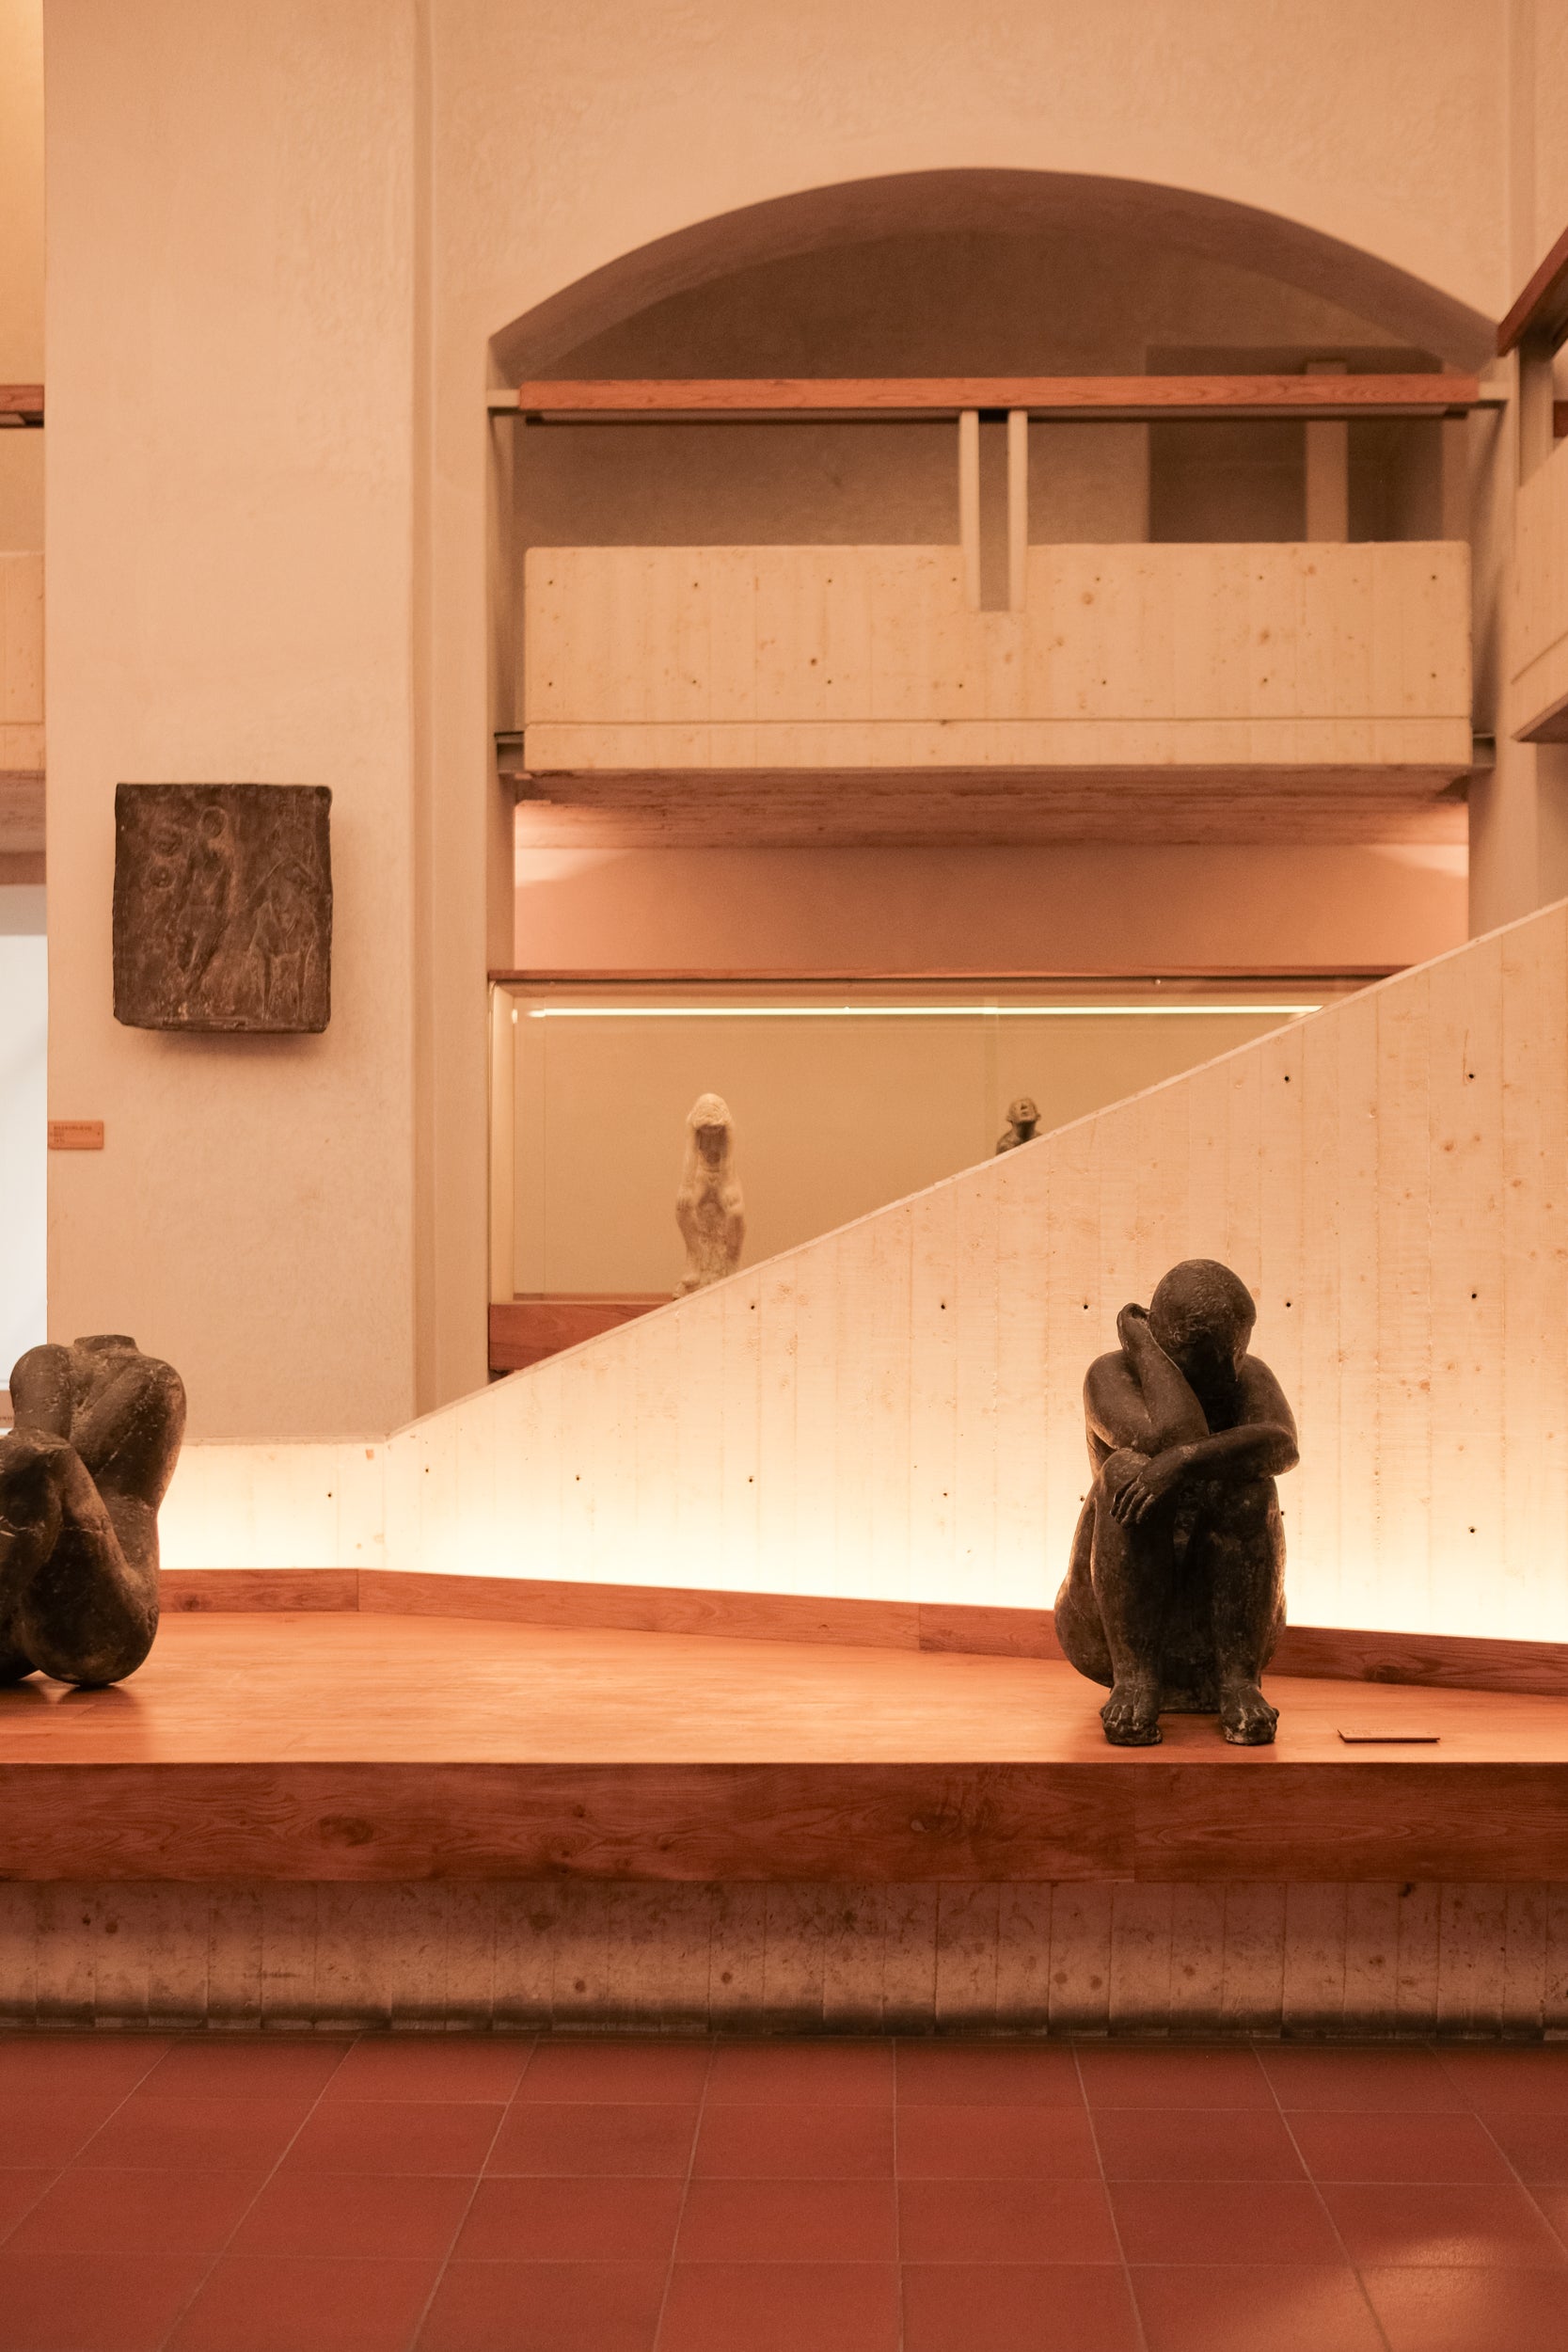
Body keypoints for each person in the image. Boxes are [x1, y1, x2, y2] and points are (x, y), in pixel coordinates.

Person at [1053, 1260, 1297, 1746]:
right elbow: (1170, 1435)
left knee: (1251, 1489)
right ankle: (1134, 1678)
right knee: (1126, 1473)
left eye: (1235, 1349)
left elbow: (1282, 1445)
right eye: (1206, 1355)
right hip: (1119, 1599)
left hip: (1225, 1591)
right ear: (1163, 1339)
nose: (1227, 1371)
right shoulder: (1110, 1373)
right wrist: (1144, 1347)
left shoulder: (1246, 1374)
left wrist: (1183, 1462)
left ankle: (1237, 1680)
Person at [0, 1336, 185, 1687]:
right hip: (18, 1625)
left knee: (36, 1456)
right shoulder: (44, 1363)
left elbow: (43, 1454)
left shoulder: (153, 1376)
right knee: (30, 1455)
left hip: (112, 1626)